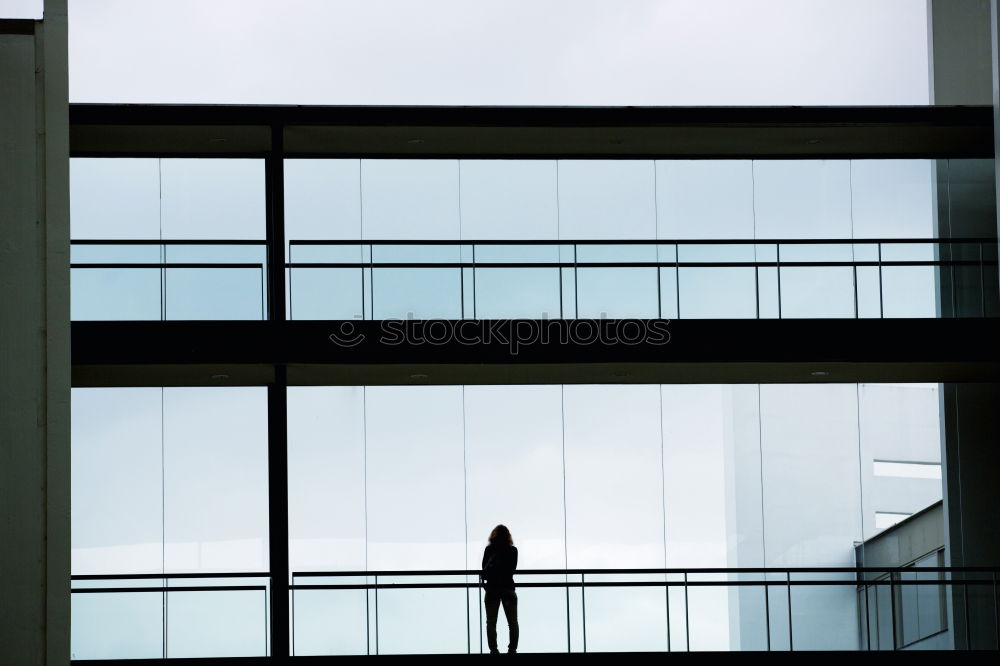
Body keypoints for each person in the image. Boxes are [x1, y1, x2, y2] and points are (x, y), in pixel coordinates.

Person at [481, 524, 519, 654]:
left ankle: (494, 650)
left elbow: (484, 570)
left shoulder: (490, 550)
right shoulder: (512, 550)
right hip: (508, 587)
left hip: (492, 588)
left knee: (491, 623)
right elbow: (512, 569)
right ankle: (512, 650)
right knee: (513, 622)